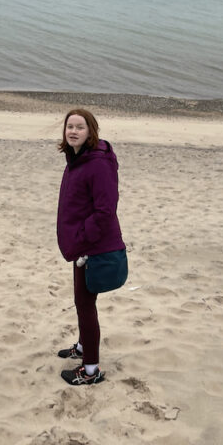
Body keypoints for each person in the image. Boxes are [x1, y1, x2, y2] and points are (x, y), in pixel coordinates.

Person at [56, 107, 125, 386]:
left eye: (79, 127)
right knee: (81, 301)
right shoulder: (76, 159)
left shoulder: (97, 163)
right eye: (69, 126)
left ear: (91, 131)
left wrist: (83, 238)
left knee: (85, 305)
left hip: (92, 246)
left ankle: (91, 370)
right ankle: (84, 347)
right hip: (80, 244)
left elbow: (105, 210)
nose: (73, 131)